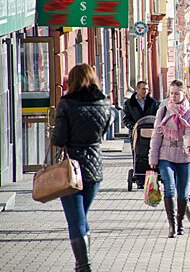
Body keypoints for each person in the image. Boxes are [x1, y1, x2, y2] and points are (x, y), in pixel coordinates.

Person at [51, 63, 113, 272]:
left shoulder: (66, 103)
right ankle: (83, 264)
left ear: (72, 80)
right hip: (94, 168)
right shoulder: (104, 103)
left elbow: (59, 138)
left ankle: (83, 266)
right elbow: (103, 131)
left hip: (70, 168)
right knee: (82, 217)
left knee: (76, 220)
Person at [148, 80, 190, 238]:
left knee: (182, 192)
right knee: (169, 188)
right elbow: (156, 135)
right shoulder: (163, 111)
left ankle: (180, 221)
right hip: (165, 155)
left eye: (177, 93)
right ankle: (172, 225)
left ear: (184, 94)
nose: (174, 96)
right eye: (172, 93)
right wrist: (153, 156)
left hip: (184, 155)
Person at [123, 81, 160, 188]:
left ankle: (153, 177)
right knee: (138, 154)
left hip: (151, 134)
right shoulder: (129, 104)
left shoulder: (153, 103)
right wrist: (134, 127)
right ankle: (140, 179)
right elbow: (126, 119)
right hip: (136, 135)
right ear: (137, 89)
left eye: (147, 89)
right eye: (143, 89)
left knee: (152, 155)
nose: (145, 91)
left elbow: (158, 117)